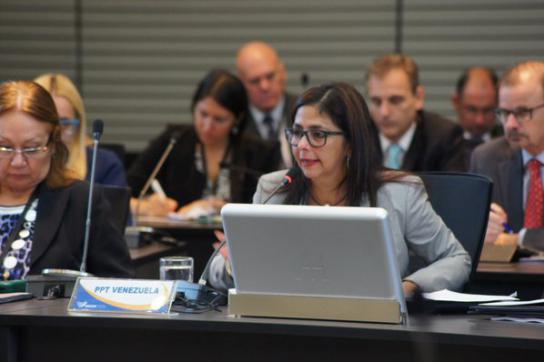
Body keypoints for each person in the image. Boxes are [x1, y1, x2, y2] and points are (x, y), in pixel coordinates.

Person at [210, 82, 471, 295]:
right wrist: (236, 265)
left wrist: (410, 286)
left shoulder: (400, 193)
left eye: (317, 135)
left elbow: (456, 258)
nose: (302, 145)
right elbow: (215, 272)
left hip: (372, 334)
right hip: (286, 326)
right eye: (297, 133)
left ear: (350, 143)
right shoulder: (274, 189)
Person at [0, 80, 132, 280]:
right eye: (5, 147)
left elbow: (119, 286)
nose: (18, 161)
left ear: (53, 144)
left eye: (32, 148)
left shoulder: (82, 202)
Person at [127, 69, 279, 217]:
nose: (207, 126)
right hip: (174, 239)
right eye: (203, 114)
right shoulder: (172, 141)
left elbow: (268, 211)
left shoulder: (260, 152)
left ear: (237, 119)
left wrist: (220, 207)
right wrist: (146, 207)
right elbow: (122, 195)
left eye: (219, 119)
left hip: (236, 240)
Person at [470, 61, 544, 251]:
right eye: (504, 113)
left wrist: (516, 238)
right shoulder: (487, 159)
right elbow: (466, 231)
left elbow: (506, 238)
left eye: (522, 112)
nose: (510, 124)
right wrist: (479, 231)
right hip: (507, 278)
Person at [366, 54, 468, 171]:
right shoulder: (356, 138)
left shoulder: (444, 138)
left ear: (418, 97)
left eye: (395, 100)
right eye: (376, 101)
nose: (384, 112)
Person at [34, 73, 127, 187]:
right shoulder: (16, 167)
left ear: (78, 124)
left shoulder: (104, 165)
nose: (55, 133)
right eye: (46, 122)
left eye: (65, 123)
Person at [236, 41, 297, 167]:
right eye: (254, 81)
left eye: (270, 76)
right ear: (241, 83)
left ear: (282, 73)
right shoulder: (235, 123)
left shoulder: (304, 111)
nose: (264, 86)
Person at [452, 66, 502, 149]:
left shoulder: (511, 142)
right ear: (456, 102)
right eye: (472, 110)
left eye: (487, 110)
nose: (479, 121)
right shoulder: (442, 143)